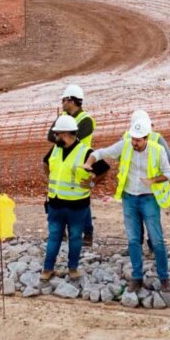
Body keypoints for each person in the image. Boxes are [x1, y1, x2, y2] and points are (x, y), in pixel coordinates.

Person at [83, 115, 170, 292]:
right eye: (133, 139)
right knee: (133, 240)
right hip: (129, 198)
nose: (134, 143)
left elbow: (169, 173)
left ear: (146, 138)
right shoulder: (125, 145)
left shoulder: (157, 150)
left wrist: (153, 180)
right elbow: (101, 152)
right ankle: (137, 277)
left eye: (138, 140)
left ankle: (164, 277)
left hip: (149, 198)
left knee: (157, 240)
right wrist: (89, 162)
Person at [42, 115, 108, 281]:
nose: (54, 137)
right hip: (55, 203)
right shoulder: (55, 150)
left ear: (65, 134)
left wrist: (92, 183)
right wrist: (51, 179)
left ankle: (73, 268)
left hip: (77, 206)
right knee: (54, 236)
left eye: (57, 134)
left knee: (75, 237)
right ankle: (47, 269)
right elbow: (45, 163)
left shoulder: (86, 152)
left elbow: (104, 170)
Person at [47, 84, 98, 246]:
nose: (62, 103)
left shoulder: (86, 120)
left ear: (71, 100)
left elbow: (73, 139)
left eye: (64, 100)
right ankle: (61, 232)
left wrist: (61, 135)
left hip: (81, 164)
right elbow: (50, 136)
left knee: (81, 198)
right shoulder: (63, 116)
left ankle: (87, 232)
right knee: (58, 197)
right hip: (62, 161)